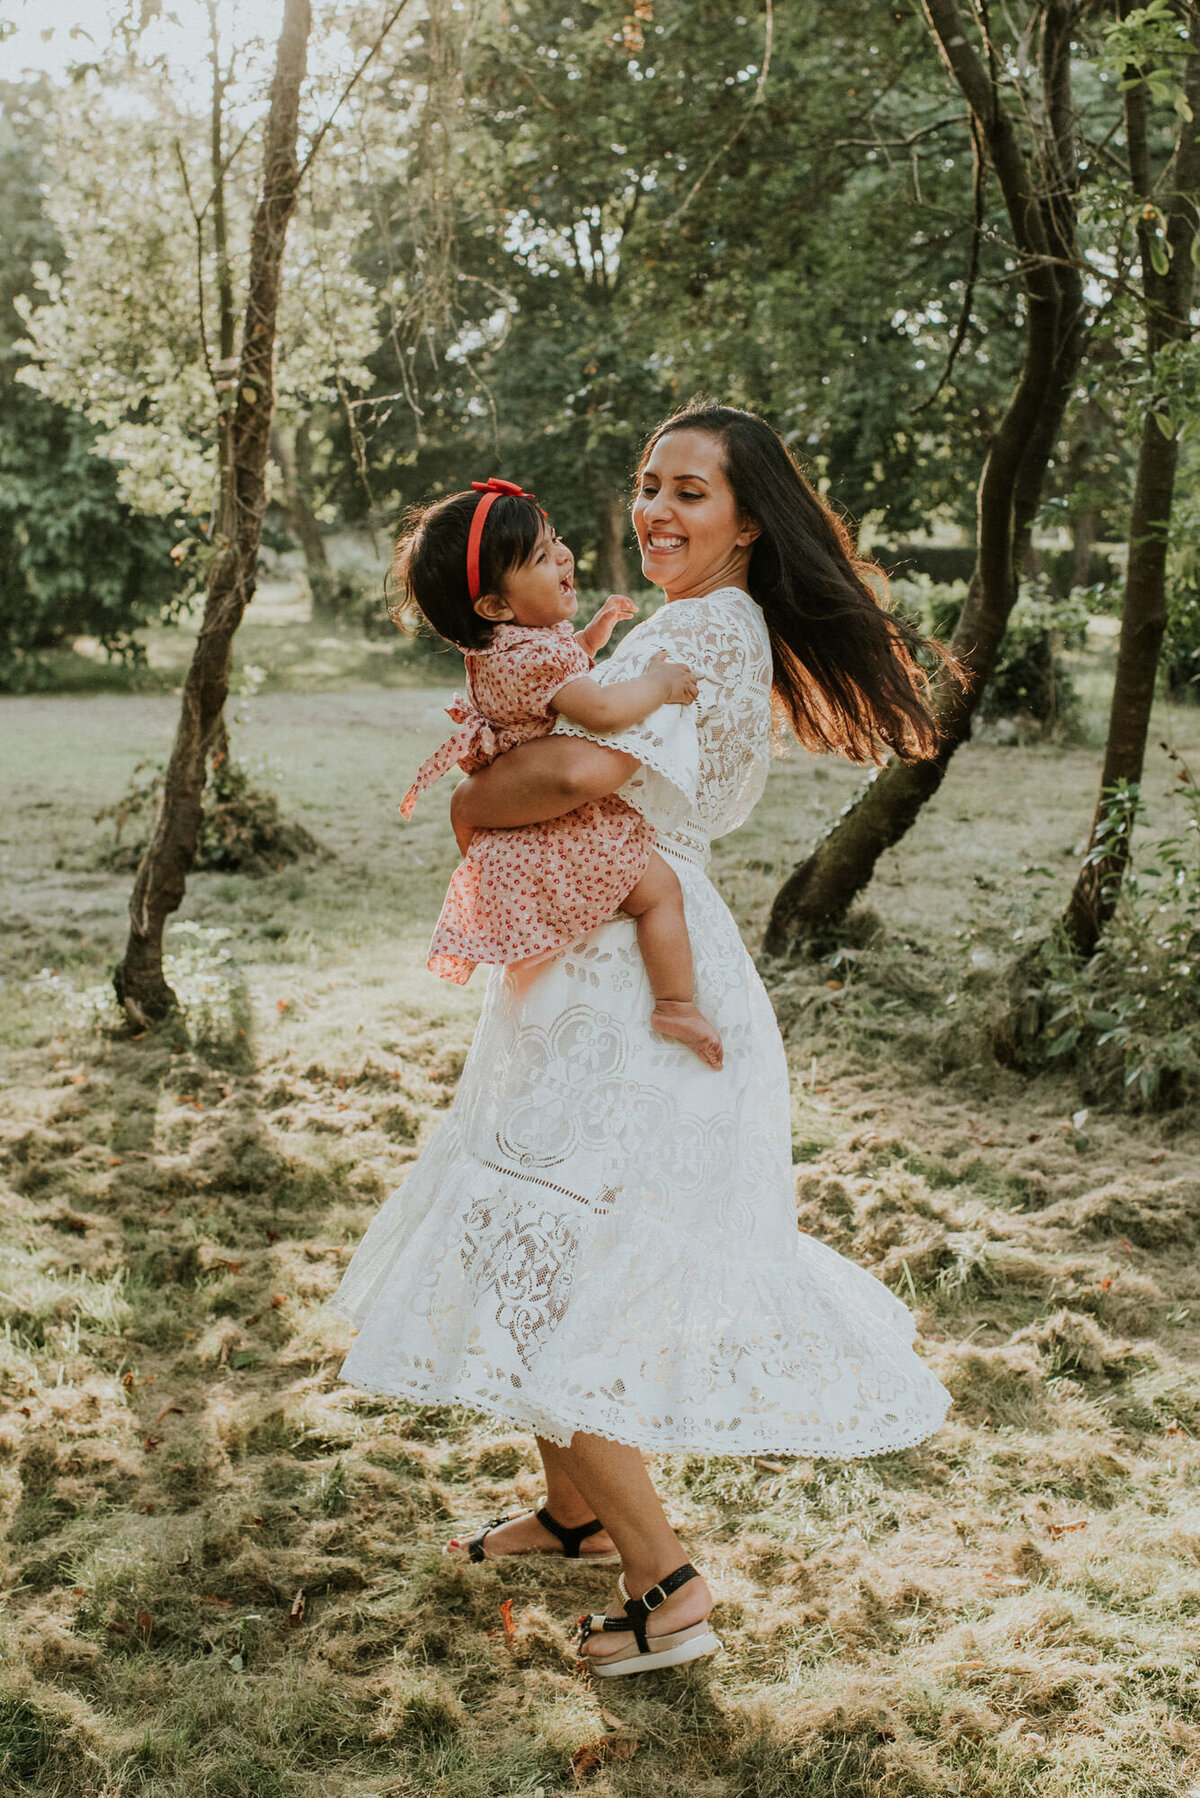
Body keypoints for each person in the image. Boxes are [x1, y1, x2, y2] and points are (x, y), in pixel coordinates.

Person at [330, 403, 954, 1678]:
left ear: (746, 521)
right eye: (647, 485)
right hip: (598, 949)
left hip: (627, 977)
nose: (655, 512)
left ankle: (663, 1580)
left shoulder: (701, 632)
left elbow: (556, 782)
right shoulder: (696, 625)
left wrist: (464, 800)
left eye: (691, 493)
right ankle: (571, 1511)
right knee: (534, 1230)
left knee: (558, 1259)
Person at [395, 477, 722, 1067]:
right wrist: (660, 684)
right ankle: (676, 1004)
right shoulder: (537, 654)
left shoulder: (501, 648)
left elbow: (554, 676)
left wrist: (595, 633)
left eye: (556, 540)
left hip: (522, 812)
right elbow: (598, 707)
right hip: (566, 822)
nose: (564, 555)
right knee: (658, 893)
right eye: (543, 557)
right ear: (494, 605)